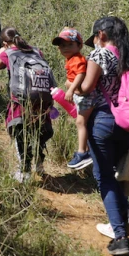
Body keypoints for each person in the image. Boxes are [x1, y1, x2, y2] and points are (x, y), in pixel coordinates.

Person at [80, 16, 129, 256]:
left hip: (103, 120)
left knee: (104, 177)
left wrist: (74, 86)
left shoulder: (100, 55)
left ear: (101, 34)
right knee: (112, 176)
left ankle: (120, 236)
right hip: (126, 124)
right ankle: (126, 213)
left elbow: (88, 87)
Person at [0, 28, 56, 183]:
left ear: (5, 42)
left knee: (20, 134)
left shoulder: (7, 53)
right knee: (38, 131)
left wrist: (1, 52)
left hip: (20, 101)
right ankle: (39, 163)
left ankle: (24, 172)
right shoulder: (37, 51)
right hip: (41, 100)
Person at [52, 28, 95, 170]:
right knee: (82, 122)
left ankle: (83, 152)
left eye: (70, 44)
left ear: (79, 46)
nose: (65, 48)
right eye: (62, 45)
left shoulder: (77, 59)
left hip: (84, 95)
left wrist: (70, 89)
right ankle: (87, 149)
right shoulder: (71, 59)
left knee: (80, 122)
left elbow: (81, 74)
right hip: (80, 95)